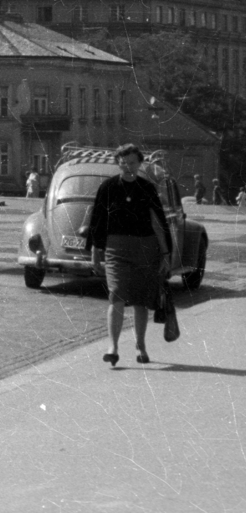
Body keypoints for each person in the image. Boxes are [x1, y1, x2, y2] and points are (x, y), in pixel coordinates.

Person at [81, 143, 173, 367]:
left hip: (145, 248)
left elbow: (157, 223)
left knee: (141, 300)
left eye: (132, 163)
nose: (128, 167)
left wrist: (166, 254)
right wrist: (95, 253)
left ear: (140, 163)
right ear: (118, 164)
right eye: (124, 163)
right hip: (116, 249)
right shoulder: (108, 188)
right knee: (116, 295)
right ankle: (113, 347)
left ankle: (140, 345)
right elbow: (98, 223)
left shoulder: (147, 188)